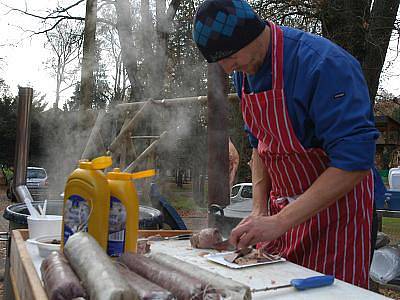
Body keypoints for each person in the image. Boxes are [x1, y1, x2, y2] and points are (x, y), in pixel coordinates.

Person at [192, 0, 385, 289]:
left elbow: (353, 162)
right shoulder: (244, 73)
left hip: (339, 219)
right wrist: (259, 211)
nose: (229, 68)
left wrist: (280, 221)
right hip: (284, 216)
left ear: (250, 33)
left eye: (230, 57)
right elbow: (260, 145)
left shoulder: (323, 65)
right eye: (221, 63)